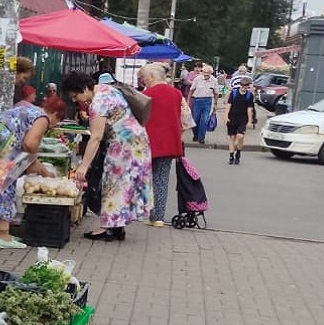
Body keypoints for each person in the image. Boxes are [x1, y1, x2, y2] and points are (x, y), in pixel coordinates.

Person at [63, 71, 152, 242]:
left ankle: (108, 228)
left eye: (75, 96)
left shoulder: (98, 103)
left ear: (84, 88)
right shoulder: (106, 89)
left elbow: (96, 137)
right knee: (123, 185)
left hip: (122, 146)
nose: (75, 100)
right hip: (138, 142)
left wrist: (84, 165)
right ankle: (116, 226)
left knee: (113, 184)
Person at [0, 87, 57, 249]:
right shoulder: (43, 118)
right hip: (2, 140)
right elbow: (29, 144)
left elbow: (29, 155)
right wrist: (38, 164)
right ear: (54, 115)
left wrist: (39, 167)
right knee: (5, 184)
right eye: (56, 122)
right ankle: (3, 236)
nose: (53, 126)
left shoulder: (30, 111)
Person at [139, 62, 184, 227]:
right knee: (162, 179)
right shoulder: (177, 93)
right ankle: (157, 217)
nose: (144, 81)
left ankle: (143, 212)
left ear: (152, 76)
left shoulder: (146, 94)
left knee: (145, 178)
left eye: (145, 77)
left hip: (149, 141)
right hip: (170, 141)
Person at [224, 75, 257, 164]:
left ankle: (238, 152)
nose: (243, 88)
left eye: (245, 87)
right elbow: (228, 105)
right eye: (242, 86)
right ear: (240, 85)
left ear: (247, 87)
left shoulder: (249, 95)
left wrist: (250, 121)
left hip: (243, 118)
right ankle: (231, 156)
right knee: (232, 137)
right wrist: (226, 116)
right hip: (232, 117)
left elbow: (249, 109)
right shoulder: (234, 93)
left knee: (240, 136)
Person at [187, 64, 218, 144]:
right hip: (197, 100)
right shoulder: (197, 79)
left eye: (208, 72)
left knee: (204, 120)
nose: (206, 74)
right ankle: (196, 135)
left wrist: (215, 104)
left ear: (211, 73)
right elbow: (191, 90)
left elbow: (216, 93)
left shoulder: (214, 80)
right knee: (195, 119)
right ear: (202, 72)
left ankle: (201, 137)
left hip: (207, 101)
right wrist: (188, 101)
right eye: (204, 72)